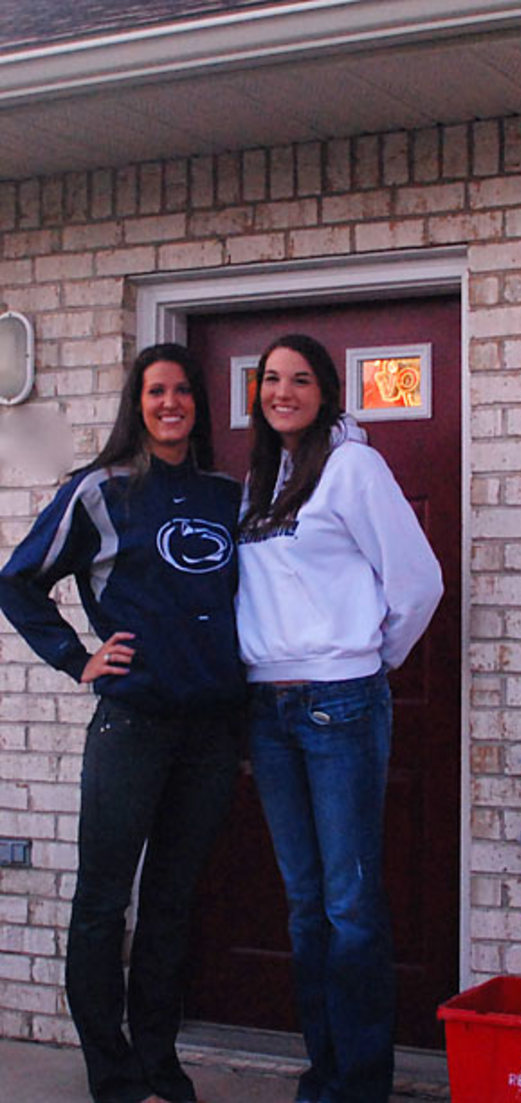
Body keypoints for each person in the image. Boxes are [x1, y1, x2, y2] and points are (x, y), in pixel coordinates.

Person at [0, 343, 244, 1103]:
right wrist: (79, 659)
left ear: (198, 405)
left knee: (172, 902)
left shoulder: (226, 493)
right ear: (136, 404)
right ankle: (111, 1072)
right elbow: (18, 582)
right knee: (105, 902)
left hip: (210, 733)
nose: (170, 403)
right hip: (132, 726)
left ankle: (159, 1063)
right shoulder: (101, 491)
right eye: (155, 391)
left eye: (182, 391)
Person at [236, 333, 443, 1103]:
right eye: (271, 380)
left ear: (325, 390)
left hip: (338, 703)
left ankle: (359, 1086)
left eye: (299, 379)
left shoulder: (354, 465)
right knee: (303, 905)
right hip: (268, 706)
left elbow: (418, 581)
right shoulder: (259, 477)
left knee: (350, 905)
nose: (283, 391)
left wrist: (367, 660)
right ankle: (322, 1074)